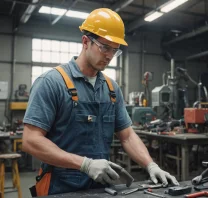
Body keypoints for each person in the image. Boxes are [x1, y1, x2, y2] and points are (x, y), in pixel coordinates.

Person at [22, 8, 179, 196]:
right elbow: (31, 141)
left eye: (115, 50)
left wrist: (151, 165)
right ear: (85, 42)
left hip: (101, 188)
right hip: (59, 188)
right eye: (105, 47)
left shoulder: (111, 89)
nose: (109, 56)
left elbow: (127, 136)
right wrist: (85, 164)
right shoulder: (51, 83)